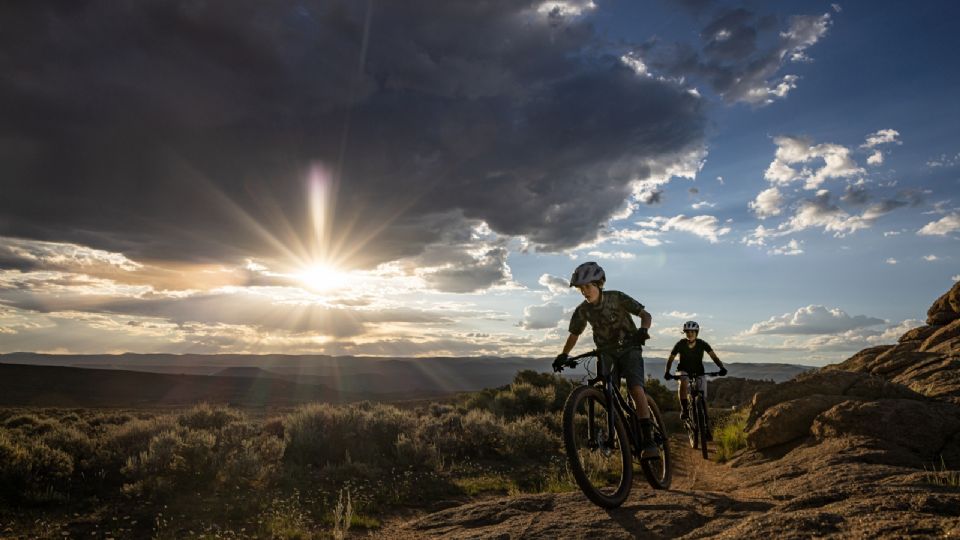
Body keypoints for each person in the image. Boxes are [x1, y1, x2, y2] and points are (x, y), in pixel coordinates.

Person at [551, 261, 658, 459]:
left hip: (629, 347)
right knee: (609, 394)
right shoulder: (582, 311)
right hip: (606, 352)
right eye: (581, 288)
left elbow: (645, 314)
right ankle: (618, 433)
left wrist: (643, 331)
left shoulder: (616, 297)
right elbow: (574, 335)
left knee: (635, 389)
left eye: (588, 286)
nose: (584, 291)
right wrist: (563, 355)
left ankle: (649, 438)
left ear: (599, 284)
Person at [664, 321, 726, 421]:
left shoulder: (702, 344)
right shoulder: (680, 344)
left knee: (703, 398)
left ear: (696, 333)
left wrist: (721, 368)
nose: (690, 334)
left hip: (699, 371)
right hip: (683, 370)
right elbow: (671, 358)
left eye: (692, 332)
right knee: (683, 382)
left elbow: (714, 356)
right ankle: (684, 410)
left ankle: (706, 424)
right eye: (687, 332)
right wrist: (667, 372)